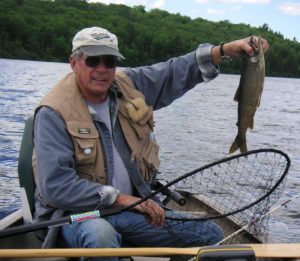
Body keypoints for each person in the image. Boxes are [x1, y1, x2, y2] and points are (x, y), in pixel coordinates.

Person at [32, 27, 269, 260]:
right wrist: (122, 199)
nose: (102, 70)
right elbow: (56, 187)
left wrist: (226, 50)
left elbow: (173, 71)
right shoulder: (53, 114)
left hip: (128, 210)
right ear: (74, 63)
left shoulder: (127, 86)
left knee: (208, 234)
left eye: (110, 61)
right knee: (101, 238)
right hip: (78, 216)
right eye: (93, 61)